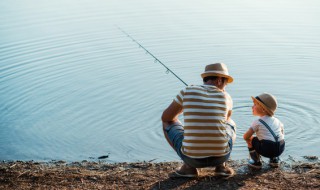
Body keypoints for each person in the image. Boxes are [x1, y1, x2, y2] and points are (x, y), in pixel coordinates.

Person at [161, 62, 236, 177]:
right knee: (231, 123)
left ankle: (188, 167)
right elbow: (224, 121)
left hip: (192, 159)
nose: (225, 87)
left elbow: (166, 117)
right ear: (219, 80)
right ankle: (221, 166)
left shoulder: (187, 91)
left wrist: (183, 109)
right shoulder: (227, 97)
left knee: (167, 122)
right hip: (221, 156)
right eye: (226, 83)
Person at [243, 93, 285, 169]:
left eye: (255, 105)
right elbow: (282, 133)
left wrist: (252, 139)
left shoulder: (258, 122)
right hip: (281, 148)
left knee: (250, 139)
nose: (252, 107)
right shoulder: (277, 121)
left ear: (263, 109)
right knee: (274, 138)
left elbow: (246, 136)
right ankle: (274, 160)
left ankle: (255, 161)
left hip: (267, 149)